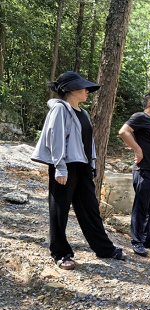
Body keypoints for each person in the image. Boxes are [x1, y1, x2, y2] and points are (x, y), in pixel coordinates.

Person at [31, 71, 126, 270]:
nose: (87, 91)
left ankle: (104, 248)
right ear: (72, 90)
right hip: (65, 166)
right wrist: (60, 167)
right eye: (84, 88)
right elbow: (55, 139)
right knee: (60, 209)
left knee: (90, 208)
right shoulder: (60, 110)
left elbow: (88, 141)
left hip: (81, 166)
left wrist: (91, 164)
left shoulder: (83, 113)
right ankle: (60, 252)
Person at [119, 93, 150, 257]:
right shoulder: (140, 117)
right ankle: (137, 241)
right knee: (141, 207)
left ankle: (148, 239)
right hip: (145, 170)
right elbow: (124, 132)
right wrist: (138, 150)